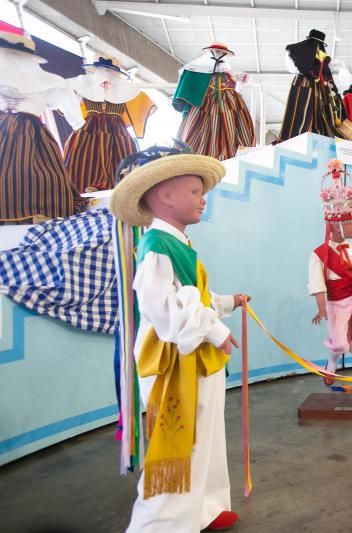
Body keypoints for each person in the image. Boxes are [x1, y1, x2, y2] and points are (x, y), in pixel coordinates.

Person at [110, 145, 248, 531]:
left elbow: (194, 297)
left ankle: (203, 508)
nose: (202, 200)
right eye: (193, 191)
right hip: (175, 364)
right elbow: (163, 310)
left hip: (194, 359)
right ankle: (159, 525)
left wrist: (226, 303)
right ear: (164, 195)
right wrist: (215, 330)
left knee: (206, 437)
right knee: (180, 442)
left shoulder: (178, 244)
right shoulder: (156, 247)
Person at [309, 160, 352, 407]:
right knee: (339, 343)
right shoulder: (319, 254)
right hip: (336, 305)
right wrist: (321, 308)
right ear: (338, 225)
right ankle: (331, 363)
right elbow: (318, 285)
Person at [0, 29, 85, 223]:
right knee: (39, 181)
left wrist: (76, 121)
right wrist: (76, 121)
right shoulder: (52, 83)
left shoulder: (53, 82)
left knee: (26, 179)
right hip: (32, 134)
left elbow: (74, 116)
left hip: (28, 134)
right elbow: (75, 117)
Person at [65, 56, 156, 192]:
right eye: (103, 70)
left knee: (120, 162)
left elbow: (146, 107)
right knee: (83, 159)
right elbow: (68, 103)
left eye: (108, 70)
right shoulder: (83, 84)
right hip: (90, 129)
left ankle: (114, 190)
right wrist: (76, 121)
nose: (106, 74)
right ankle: (85, 188)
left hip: (116, 131)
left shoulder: (125, 89)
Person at [173, 43, 255, 160]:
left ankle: (229, 155)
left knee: (231, 128)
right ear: (209, 53)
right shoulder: (197, 68)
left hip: (230, 104)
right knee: (197, 132)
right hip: (205, 103)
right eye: (217, 52)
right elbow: (187, 83)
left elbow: (240, 82)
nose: (219, 55)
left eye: (222, 53)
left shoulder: (228, 72)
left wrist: (239, 79)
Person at [280, 30, 342, 141]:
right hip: (305, 85)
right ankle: (298, 137)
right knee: (302, 108)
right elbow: (294, 67)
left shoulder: (320, 57)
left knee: (311, 110)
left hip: (314, 88)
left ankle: (312, 134)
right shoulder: (300, 51)